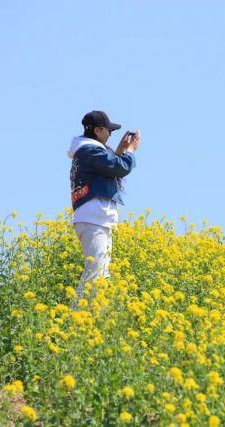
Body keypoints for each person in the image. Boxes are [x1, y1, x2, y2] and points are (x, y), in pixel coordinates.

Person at [67, 110, 140, 304]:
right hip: (93, 218)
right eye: (108, 130)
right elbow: (118, 168)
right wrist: (130, 152)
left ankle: (93, 319)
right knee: (95, 274)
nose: (110, 134)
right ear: (98, 131)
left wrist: (120, 151)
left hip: (96, 219)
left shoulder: (88, 152)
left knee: (101, 274)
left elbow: (107, 169)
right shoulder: (90, 150)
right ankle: (75, 322)